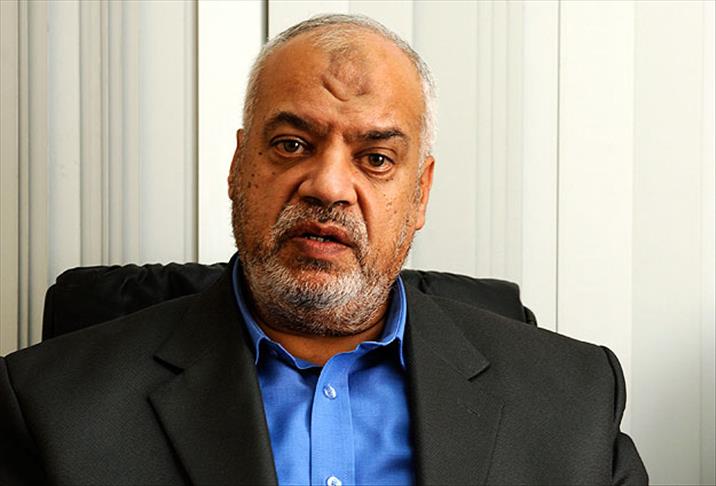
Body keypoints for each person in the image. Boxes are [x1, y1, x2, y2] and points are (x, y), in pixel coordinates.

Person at [0, 14, 647, 485]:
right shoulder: (51, 407)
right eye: (291, 145)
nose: (329, 185)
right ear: (238, 167)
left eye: (376, 157)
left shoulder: (574, 402)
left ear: (420, 193)